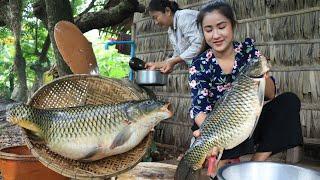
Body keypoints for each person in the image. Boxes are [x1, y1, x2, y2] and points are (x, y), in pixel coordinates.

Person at [189, 0, 303, 172]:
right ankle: (215, 161)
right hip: (218, 126)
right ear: (203, 32)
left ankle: (255, 164)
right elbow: (199, 109)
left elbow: (270, 95)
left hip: (249, 118)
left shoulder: (249, 52)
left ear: (232, 25)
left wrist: (263, 76)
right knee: (215, 162)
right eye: (209, 30)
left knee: (289, 101)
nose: (216, 35)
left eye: (221, 26)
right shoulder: (199, 64)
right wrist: (209, 137)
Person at [146, 0, 202, 74]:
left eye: (156, 17)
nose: (156, 23)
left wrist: (173, 61)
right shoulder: (171, 30)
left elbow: (199, 45)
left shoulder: (184, 17)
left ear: (167, 11)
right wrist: (157, 65)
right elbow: (178, 56)